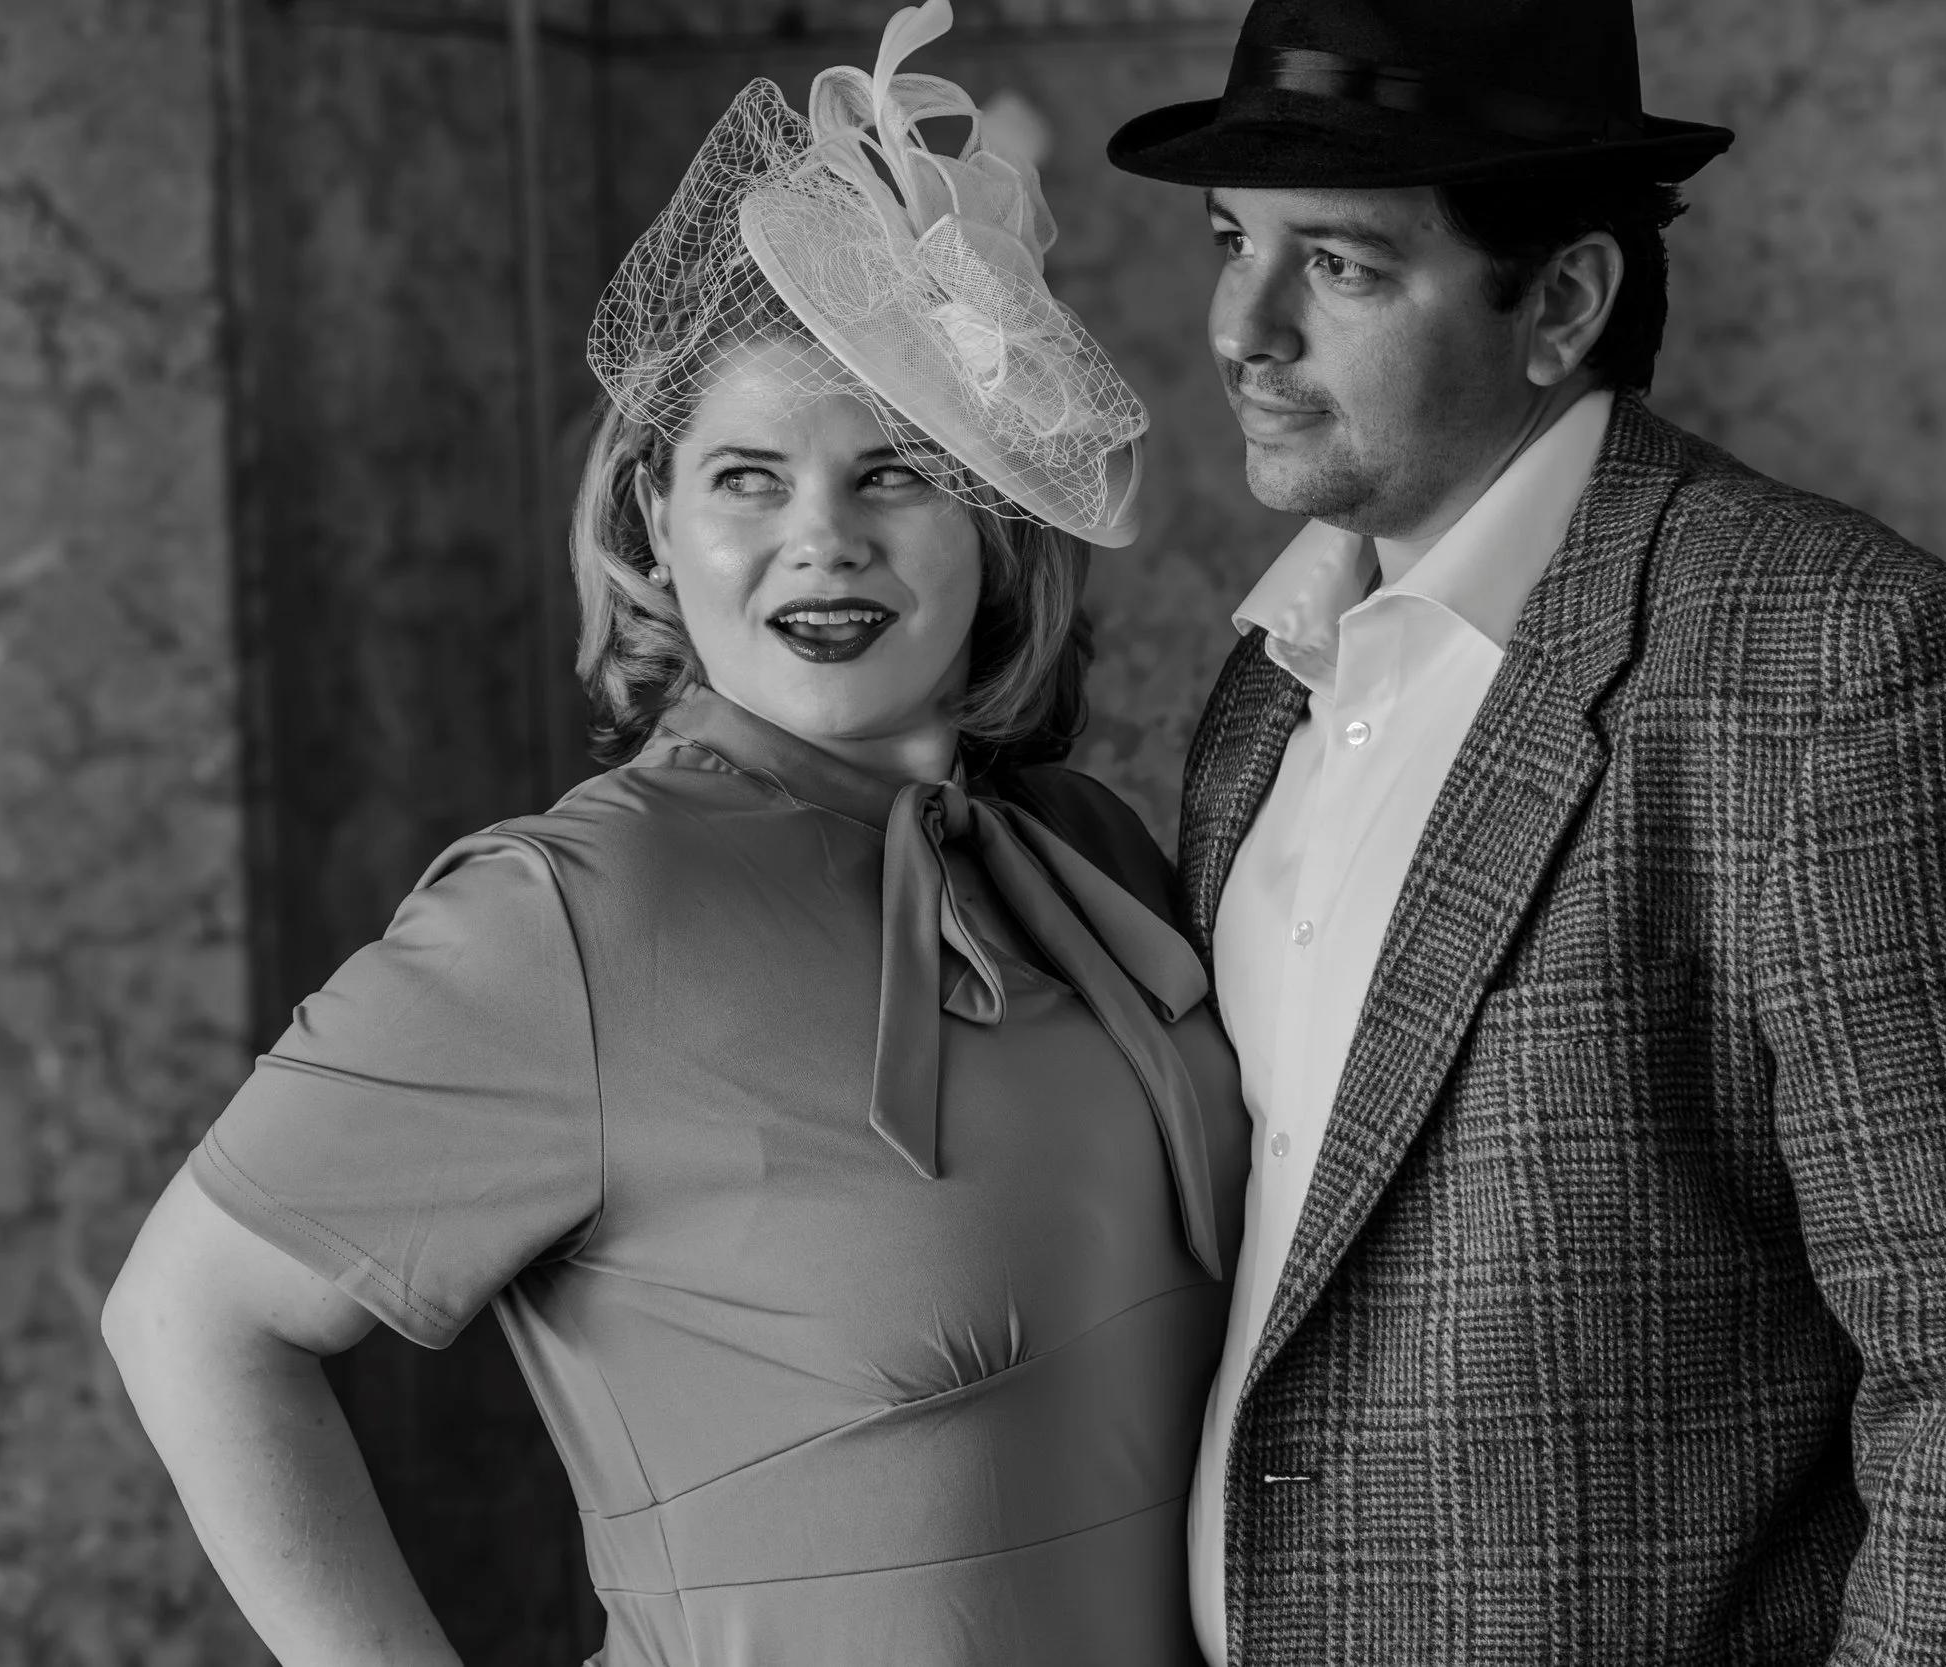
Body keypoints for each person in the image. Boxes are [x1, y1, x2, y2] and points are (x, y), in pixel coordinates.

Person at [102, 6, 1245, 1663]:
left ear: (995, 517)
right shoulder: (565, 916)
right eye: (747, 477)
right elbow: (188, 1318)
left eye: (897, 474)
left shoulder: (1086, 852)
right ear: (655, 518)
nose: (820, 544)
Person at [1107, 0, 1946, 1661]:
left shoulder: (1847, 666)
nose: (1240, 328)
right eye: (1232, 241)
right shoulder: (1272, 683)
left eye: (1338, 265)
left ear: (1560, 301)